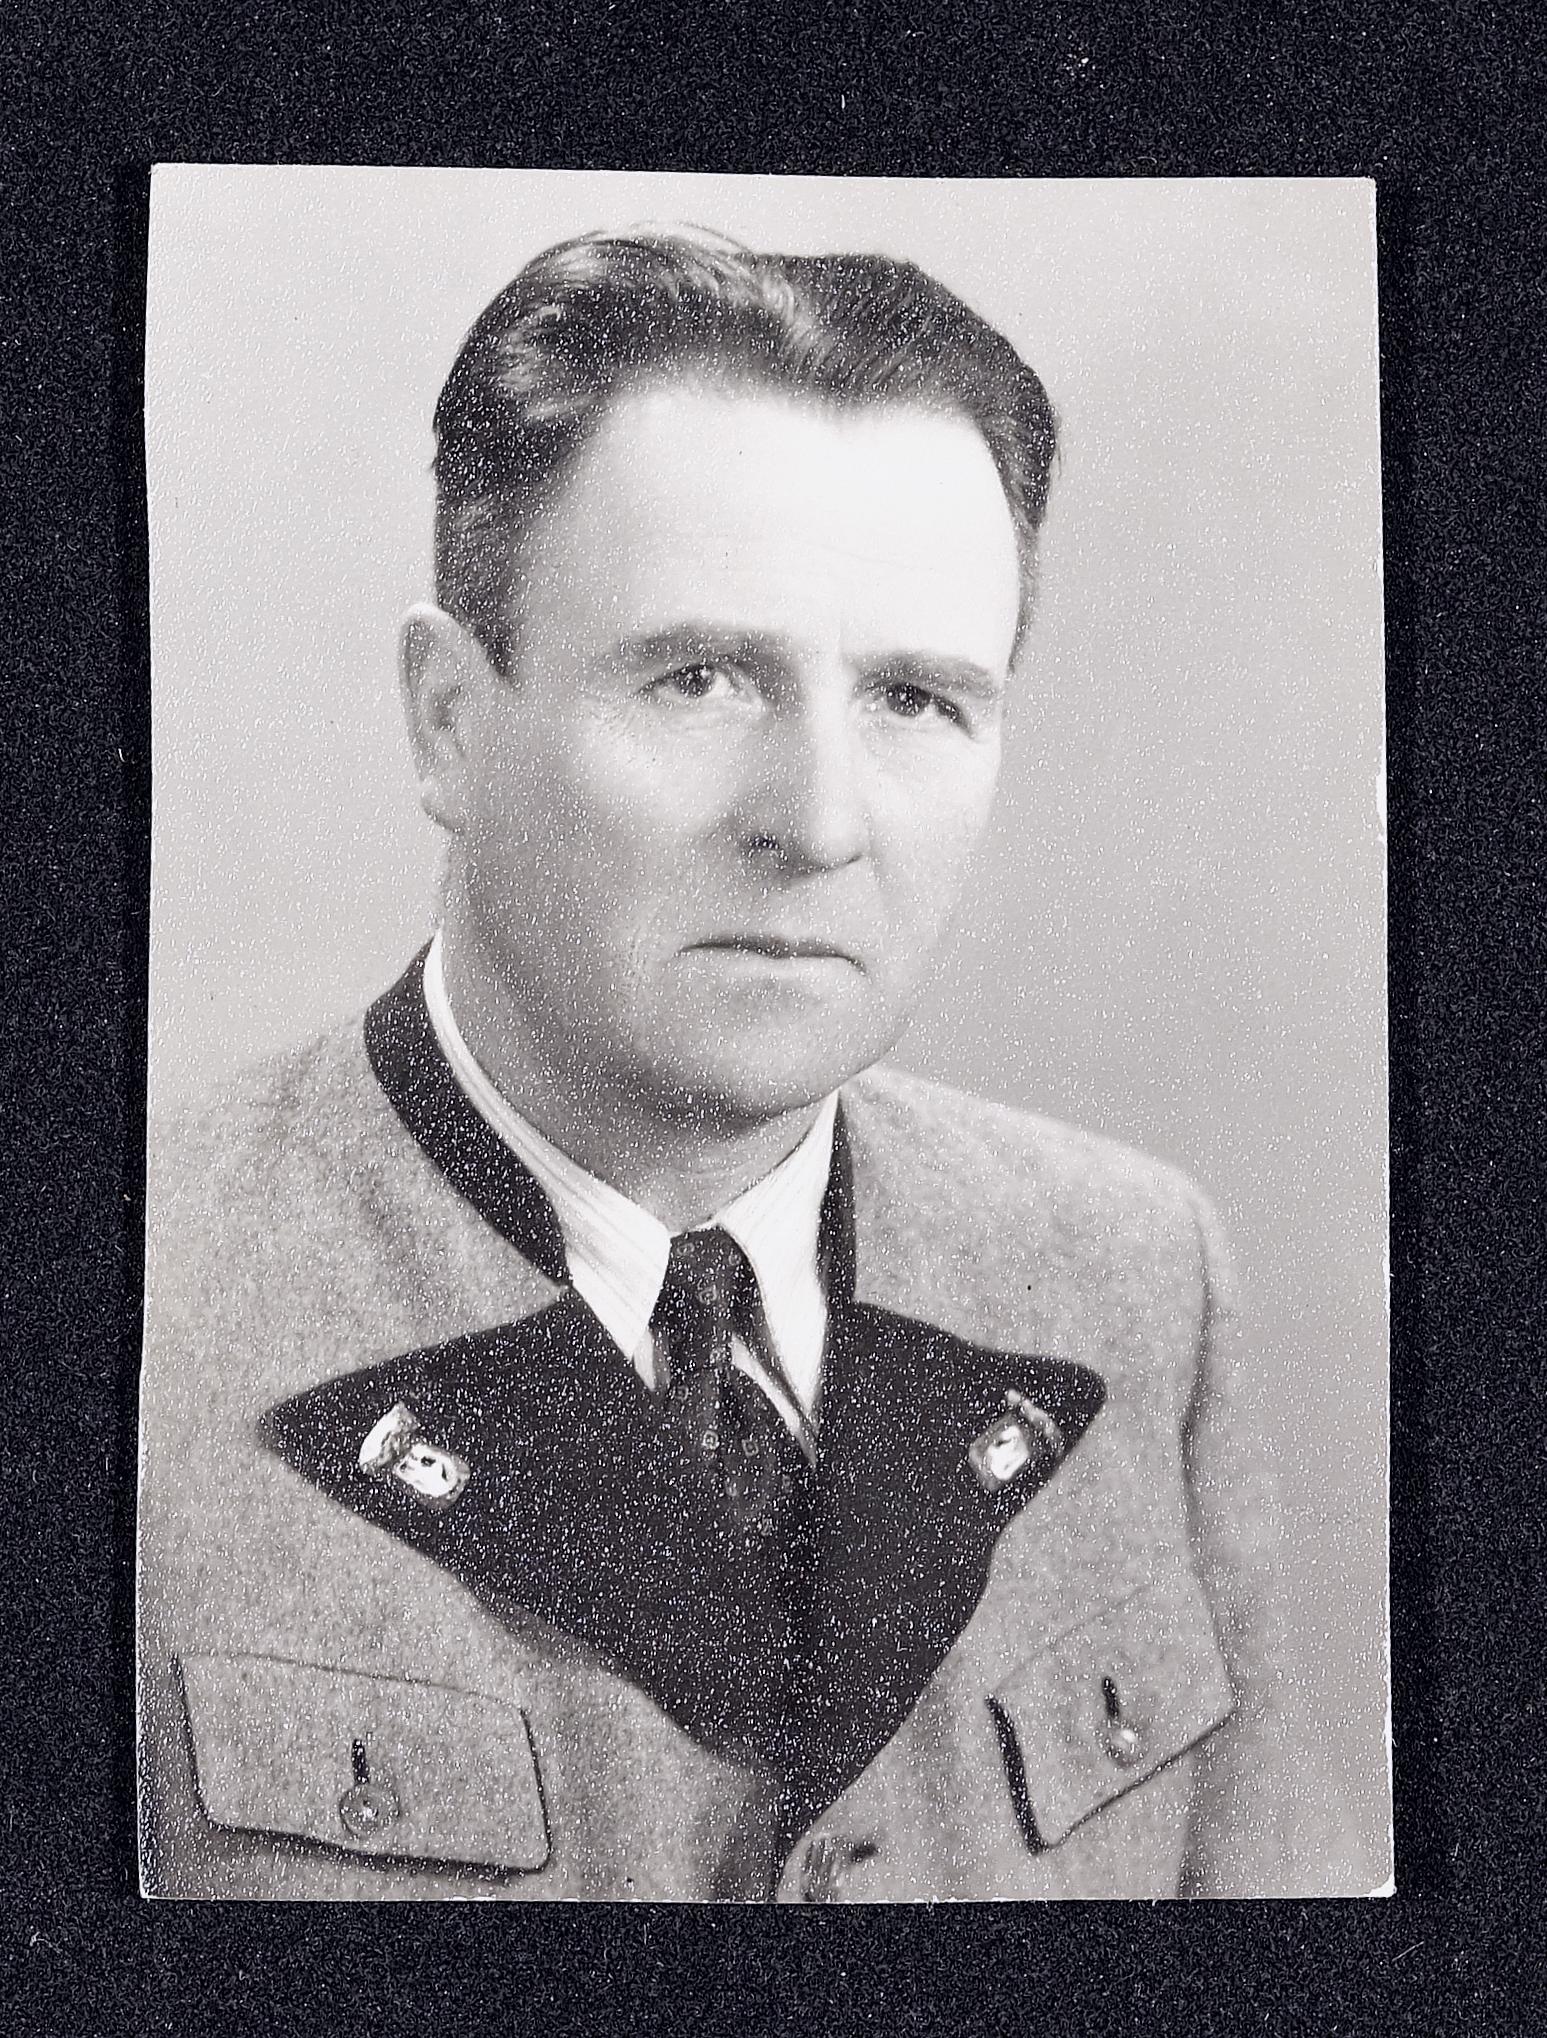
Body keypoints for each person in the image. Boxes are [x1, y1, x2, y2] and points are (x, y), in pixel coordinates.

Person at [137, 226, 1358, 1901]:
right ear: (448, 720)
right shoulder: (129, 1310)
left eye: (916, 699)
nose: (822, 821)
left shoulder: (1135, 1273)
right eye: (701, 679)